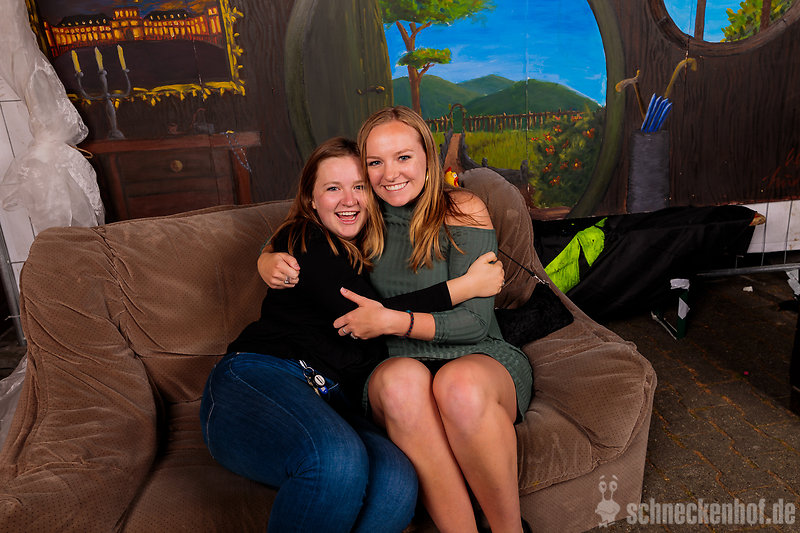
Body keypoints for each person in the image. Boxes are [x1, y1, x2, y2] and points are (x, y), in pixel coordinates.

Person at [199, 136, 505, 533]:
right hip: (261, 376)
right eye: (332, 188)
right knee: (337, 461)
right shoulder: (304, 238)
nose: (348, 200)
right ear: (311, 200)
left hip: (333, 402)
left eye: (359, 186)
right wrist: (463, 287)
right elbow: (369, 313)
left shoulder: (374, 245)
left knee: (397, 485)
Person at [263, 107, 534, 533]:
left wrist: (394, 321)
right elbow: (305, 223)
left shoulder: (461, 208)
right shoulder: (360, 214)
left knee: (458, 387)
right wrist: (266, 258)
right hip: (392, 365)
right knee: (402, 383)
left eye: (403, 157)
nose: (390, 174)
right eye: (375, 162)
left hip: (476, 355)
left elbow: (474, 323)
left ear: (428, 156)